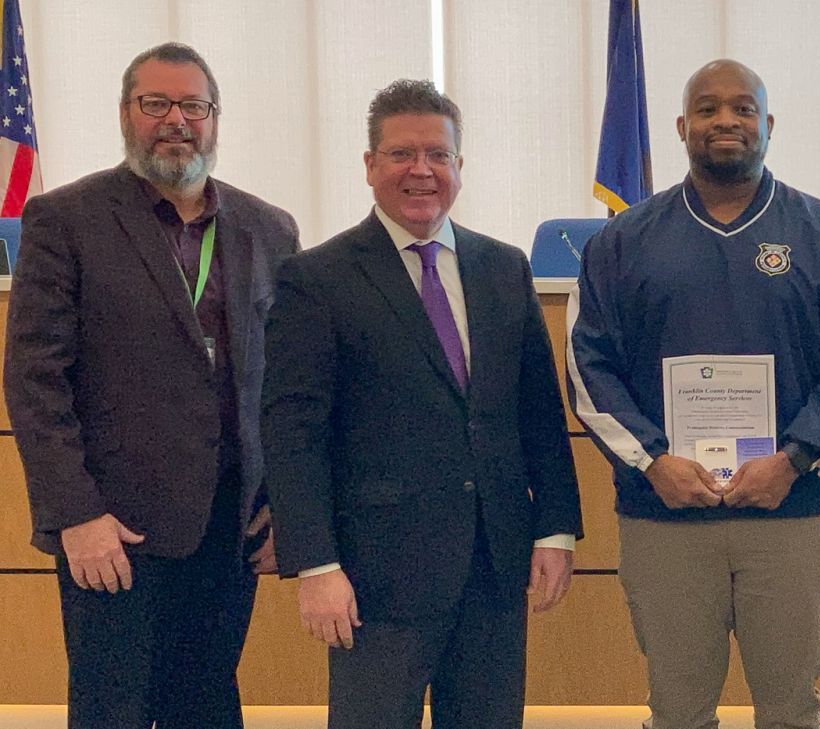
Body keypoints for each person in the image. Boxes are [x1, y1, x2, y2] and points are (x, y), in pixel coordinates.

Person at [566, 59, 820, 729]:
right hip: (664, 514)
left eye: (742, 108)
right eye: (709, 109)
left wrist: (793, 459)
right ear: (683, 126)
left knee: (791, 708)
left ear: (767, 125)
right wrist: (654, 460)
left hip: (795, 509)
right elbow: (588, 365)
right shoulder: (622, 241)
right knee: (679, 710)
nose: (726, 121)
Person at [262, 79, 582, 729]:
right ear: (370, 165)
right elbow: (293, 433)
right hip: (374, 577)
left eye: (438, 154)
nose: (421, 170)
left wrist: (554, 526)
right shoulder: (317, 278)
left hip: (494, 568)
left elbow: (538, 414)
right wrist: (316, 563)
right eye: (402, 153)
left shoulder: (504, 268)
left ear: (459, 167)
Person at [3, 42, 298, 728]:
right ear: (125, 115)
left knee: (208, 709)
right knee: (113, 713)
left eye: (193, 105)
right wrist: (75, 514)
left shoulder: (269, 230)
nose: (176, 119)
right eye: (156, 103)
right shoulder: (64, 220)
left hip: (229, 531)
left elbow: (288, 385)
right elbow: (35, 379)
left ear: (214, 119)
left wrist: (284, 505)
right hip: (114, 532)